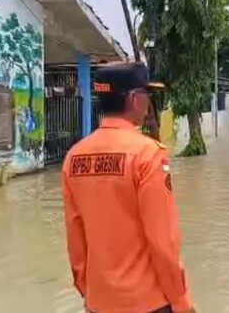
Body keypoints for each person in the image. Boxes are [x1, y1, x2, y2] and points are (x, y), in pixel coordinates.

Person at [61, 62, 195, 313]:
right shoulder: (147, 155)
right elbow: (162, 241)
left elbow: (75, 240)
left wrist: (89, 293)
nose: (150, 102)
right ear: (134, 98)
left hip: (99, 302)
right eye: (148, 94)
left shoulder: (74, 157)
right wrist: (182, 302)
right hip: (148, 303)